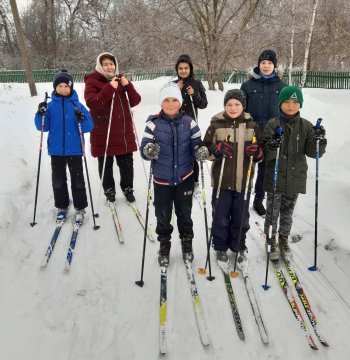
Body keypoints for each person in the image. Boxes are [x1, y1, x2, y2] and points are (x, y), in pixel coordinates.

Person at [140, 82, 208, 267]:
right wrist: (148, 150)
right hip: (161, 179)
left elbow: (197, 143)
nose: (170, 104)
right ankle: (164, 243)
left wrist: (200, 150)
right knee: (162, 214)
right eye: (166, 100)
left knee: (184, 214)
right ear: (161, 103)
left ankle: (187, 242)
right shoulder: (153, 123)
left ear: (180, 102)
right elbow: (144, 146)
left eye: (174, 100)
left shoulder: (189, 122)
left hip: (184, 177)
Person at [263, 86, 327, 261]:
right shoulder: (272, 124)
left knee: (287, 213)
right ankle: (271, 240)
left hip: (295, 178)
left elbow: (314, 153)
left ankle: (284, 239)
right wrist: (272, 145)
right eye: (287, 102)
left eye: (295, 102)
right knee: (272, 212)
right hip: (275, 178)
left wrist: (319, 140)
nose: (291, 105)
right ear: (280, 103)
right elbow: (264, 154)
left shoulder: (306, 126)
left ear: (300, 104)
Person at [202, 89, 263, 265]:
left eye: (237, 104)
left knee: (241, 218)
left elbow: (261, 151)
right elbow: (205, 150)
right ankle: (220, 247)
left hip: (244, 181)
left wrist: (257, 152)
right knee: (220, 217)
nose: (233, 107)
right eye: (229, 104)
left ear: (243, 105)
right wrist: (216, 151)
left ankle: (238, 245)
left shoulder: (252, 126)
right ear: (224, 106)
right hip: (221, 182)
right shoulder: (216, 125)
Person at [34, 69, 94, 224]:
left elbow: (89, 126)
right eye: (59, 86)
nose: (63, 89)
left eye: (66, 86)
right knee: (58, 180)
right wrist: (40, 113)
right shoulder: (50, 106)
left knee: (77, 180)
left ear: (71, 87)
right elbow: (42, 127)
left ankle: (80, 208)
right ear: (55, 88)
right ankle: (62, 206)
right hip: (56, 150)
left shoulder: (77, 105)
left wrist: (82, 119)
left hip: (75, 149)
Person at [84, 52, 141, 203]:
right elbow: (92, 103)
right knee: (105, 163)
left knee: (127, 163)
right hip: (104, 131)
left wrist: (127, 85)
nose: (109, 67)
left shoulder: (121, 79)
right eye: (106, 64)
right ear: (100, 66)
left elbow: (135, 101)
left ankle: (128, 188)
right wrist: (109, 88)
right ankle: (109, 191)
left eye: (111, 63)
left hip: (123, 131)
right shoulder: (92, 81)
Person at [241, 49, 287, 216]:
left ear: (274, 66)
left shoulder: (282, 87)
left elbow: (286, 111)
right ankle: (242, 197)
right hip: (251, 132)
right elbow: (240, 110)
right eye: (263, 63)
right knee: (247, 166)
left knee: (265, 169)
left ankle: (259, 199)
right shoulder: (247, 86)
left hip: (272, 134)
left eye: (269, 63)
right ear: (258, 64)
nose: (266, 66)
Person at [173, 54, 208, 191]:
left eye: (186, 68)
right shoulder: (174, 84)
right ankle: (180, 177)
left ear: (190, 68)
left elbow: (203, 104)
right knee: (178, 152)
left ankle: (194, 180)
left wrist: (194, 94)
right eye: (180, 68)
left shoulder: (197, 83)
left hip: (191, 124)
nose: (183, 71)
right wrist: (176, 90)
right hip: (175, 123)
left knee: (192, 152)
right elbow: (167, 103)